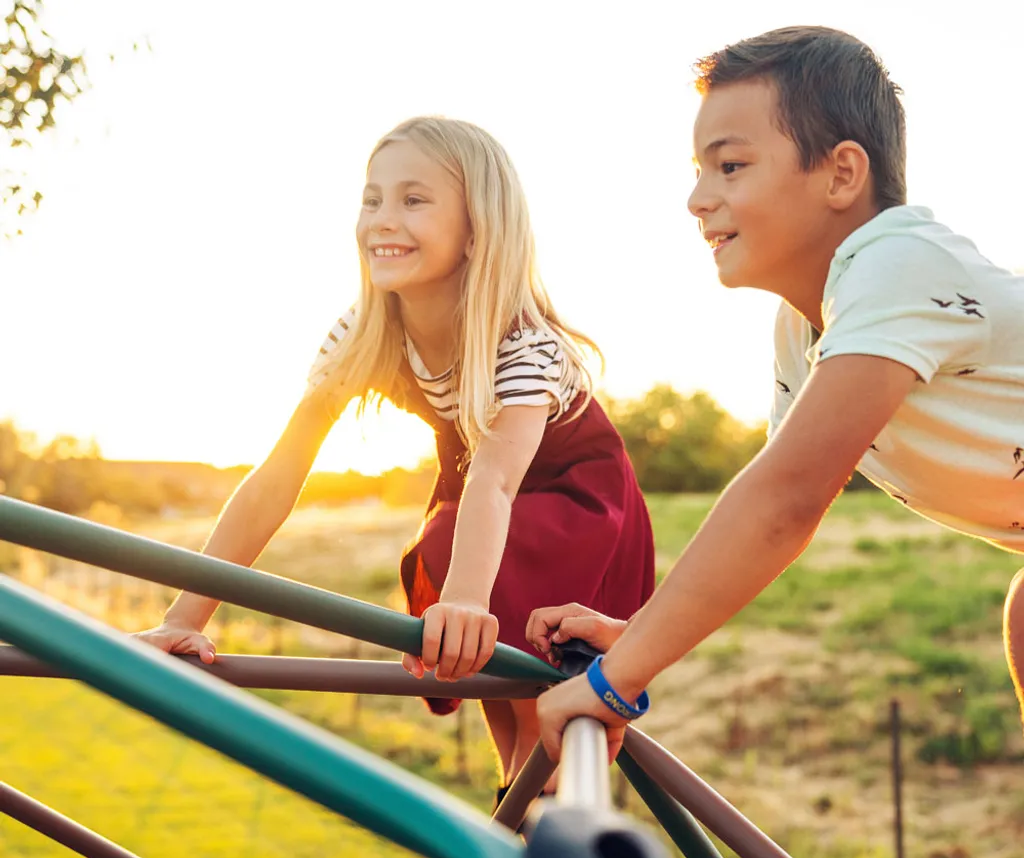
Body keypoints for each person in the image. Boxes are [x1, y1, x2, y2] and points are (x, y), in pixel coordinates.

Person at [526, 26, 1024, 761]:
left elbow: (786, 500)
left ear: (841, 174)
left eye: (730, 166)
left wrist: (615, 681)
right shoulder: (805, 329)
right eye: (700, 170)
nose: (697, 199)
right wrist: (637, 639)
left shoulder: (897, 261)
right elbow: (760, 526)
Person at [137, 116, 655, 800]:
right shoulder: (363, 333)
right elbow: (277, 477)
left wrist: (464, 598)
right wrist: (185, 617)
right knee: (496, 689)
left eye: (413, 199)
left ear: (477, 228)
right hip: (475, 506)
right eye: (372, 198)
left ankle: (550, 807)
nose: (383, 218)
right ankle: (520, 802)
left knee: (527, 682)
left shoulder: (522, 343)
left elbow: (497, 478)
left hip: (576, 504)